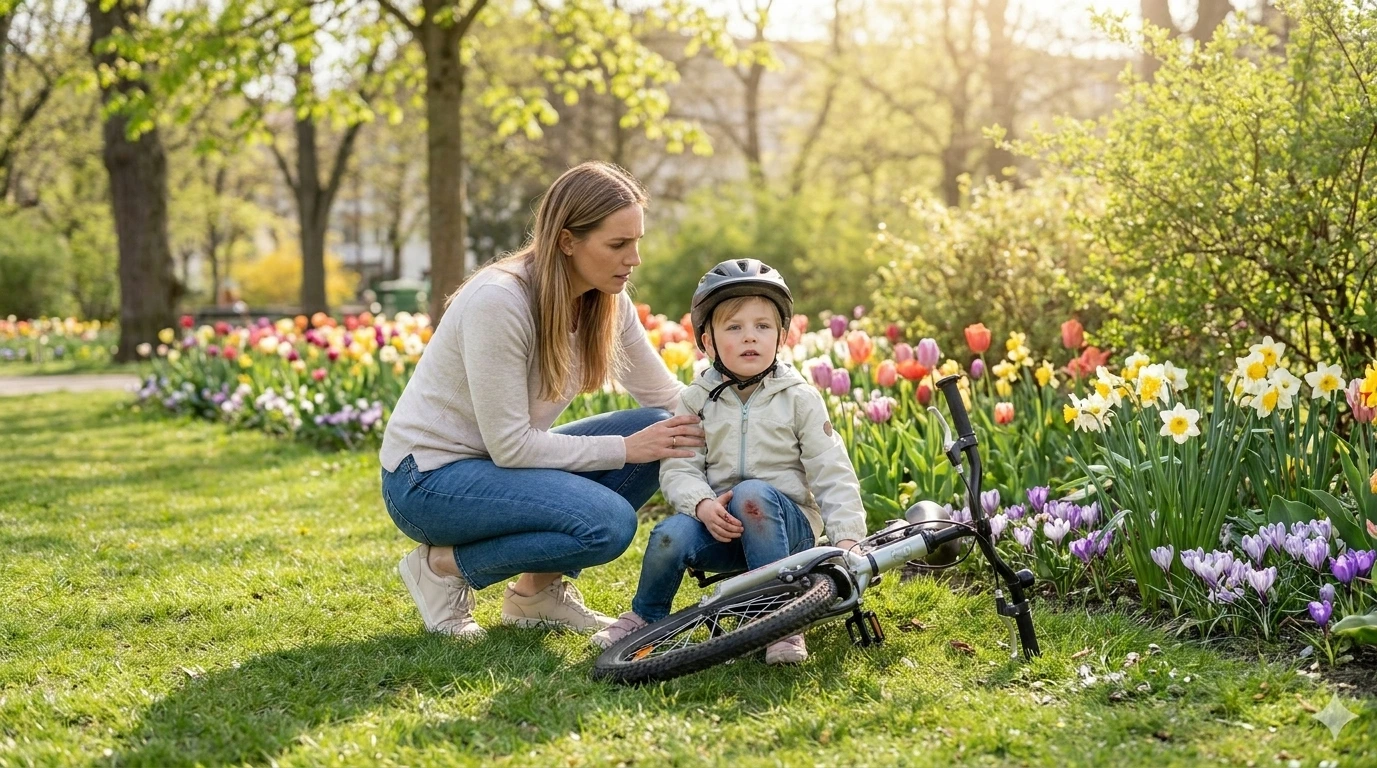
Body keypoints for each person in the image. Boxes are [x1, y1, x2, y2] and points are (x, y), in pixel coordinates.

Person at [379, 162, 705, 639]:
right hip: (427, 480)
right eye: (617, 244)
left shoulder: (607, 301)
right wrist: (626, 449)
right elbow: (512, 446)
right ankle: (442, 568)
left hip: (497, 465)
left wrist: (758, 421)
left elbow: (669, 400)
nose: (633, 258)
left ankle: (536, 595)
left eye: (637, 242)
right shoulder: (500, 301)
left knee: (662, 426)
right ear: (567, 241)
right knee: (608, 524)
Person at [591, 259, 868, 664]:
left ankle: (782, 620)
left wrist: (846, 538)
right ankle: (645, 616)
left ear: (781, 336)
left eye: (762, 326)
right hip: (722, 528)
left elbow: (832, 471)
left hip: (787, 531)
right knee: (669, 534)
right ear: (708, 341)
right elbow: (680, 468)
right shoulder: (695, 400)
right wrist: (702, 505)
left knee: (752, 493)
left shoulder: (799, 398)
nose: (749, 337)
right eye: (734, 327)